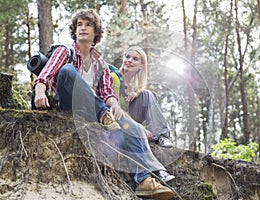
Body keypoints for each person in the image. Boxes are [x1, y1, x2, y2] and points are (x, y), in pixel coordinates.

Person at [33, 9, 175, 200]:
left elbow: (107, 92)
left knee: (132, 127)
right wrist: (39, 91)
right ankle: (103, 114)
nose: (83, 28)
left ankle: (144, 180)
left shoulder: (100, 63)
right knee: (67, 71)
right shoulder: (65, 51)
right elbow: (46, 73)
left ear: (96, 32)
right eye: (79, 25)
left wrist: (114, 104)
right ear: (74, 30)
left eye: (88, 25)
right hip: (69, 104)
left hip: (94, 110)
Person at [111, 46, 173, 148]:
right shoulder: (114, 77)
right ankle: (153, 135)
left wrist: (137, 92)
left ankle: (161, 136)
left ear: (141, 66)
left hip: (130, 120)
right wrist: (141, 128)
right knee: (147, 94)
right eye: (127, 57)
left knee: (148, 94)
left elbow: (141, 90)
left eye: (135, 59)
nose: (129, 60)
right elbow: (117, 112)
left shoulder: (135, 88)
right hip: (118, 120)